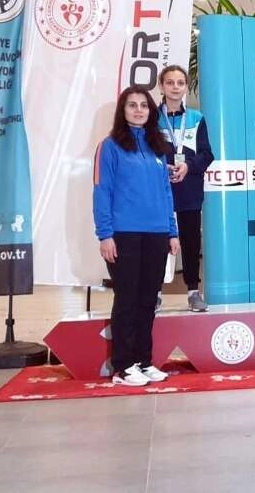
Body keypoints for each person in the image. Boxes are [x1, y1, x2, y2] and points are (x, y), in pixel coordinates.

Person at [93, 85, 179, 387]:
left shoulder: (158, 148)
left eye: (144, 105)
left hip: (156, 235)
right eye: (132, 105)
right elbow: (102, 191)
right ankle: (123, 366)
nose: (139, 110)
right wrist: (105, 234)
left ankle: (143, 361)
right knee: (127, 300)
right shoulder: (109, 147)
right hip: (124, 235)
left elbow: (166, 192)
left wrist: (172, 232)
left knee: (148, 301)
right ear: (123, 110)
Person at [156, 64, 215, 313]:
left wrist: (188, 167)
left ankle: (193, 291)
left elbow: (207, 154)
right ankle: (154, 293)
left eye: (180, 83)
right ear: (162, 86)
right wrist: (163, 167)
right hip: (159, 191)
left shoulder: (196, 118)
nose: (175, 87)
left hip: (189, 190)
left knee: (191, 242)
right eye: (170, 82)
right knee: (158, 241)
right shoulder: (151, 119)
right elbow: (145, 153)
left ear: (185, 87)